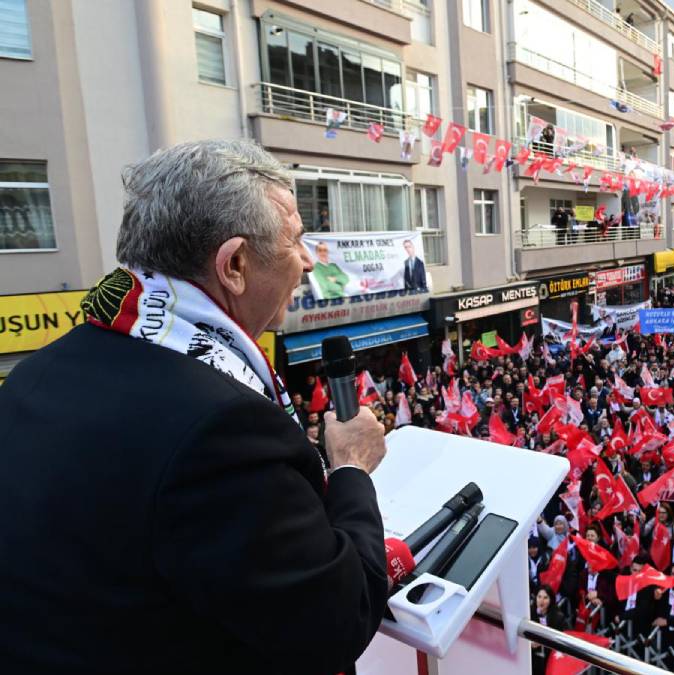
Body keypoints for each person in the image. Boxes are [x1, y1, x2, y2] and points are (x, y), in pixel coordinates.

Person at [0, 140, 390, 673]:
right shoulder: (223, 428)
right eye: (296, 240)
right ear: (234, 265)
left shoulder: (37, 372)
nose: (306, 261)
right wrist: (350, 468)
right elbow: (339, 621)